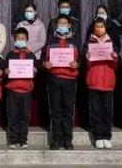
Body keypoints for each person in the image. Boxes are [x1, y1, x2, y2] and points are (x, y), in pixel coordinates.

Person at [42, 15, 79, 150]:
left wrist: (77, 64)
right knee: (55, 111)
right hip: (54, 79)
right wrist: (45, 63)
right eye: (59, 23)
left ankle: (67, 140)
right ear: (56, 25)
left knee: (68, 111)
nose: (61, 25)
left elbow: (81, 59)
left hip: (69, 80)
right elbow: (43, 59)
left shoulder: (75, 42)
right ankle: (56, 140)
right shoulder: (50, 41)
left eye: (64, 23)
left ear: (69, 25)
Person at [84, 17, 118, 149]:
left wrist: (115, 58)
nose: (99, 29)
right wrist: (87, 58)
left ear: (105, 27)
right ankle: (98, 137)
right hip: (94, 81)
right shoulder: (89, 43)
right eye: (97, 27)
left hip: (108, 82)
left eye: (101, 26)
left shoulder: (111, 43)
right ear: (94, 28)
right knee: (96, 111)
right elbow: (85, 65)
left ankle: (107, 136)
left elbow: (116, 66)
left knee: (107, 112)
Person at [4, 27, 38, 149]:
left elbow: (36, 71)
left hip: (26, 90)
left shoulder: (31, 55)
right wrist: (6, 71)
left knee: (24, 116)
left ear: (27, 40)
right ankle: (13, 140)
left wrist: (35, 70)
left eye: (23, 39)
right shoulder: (10, 55)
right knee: (13, 116)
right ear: (14, 40)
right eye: (18, 39)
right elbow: (5, 70)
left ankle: (23, 140)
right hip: (13, 90)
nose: (20, 41)